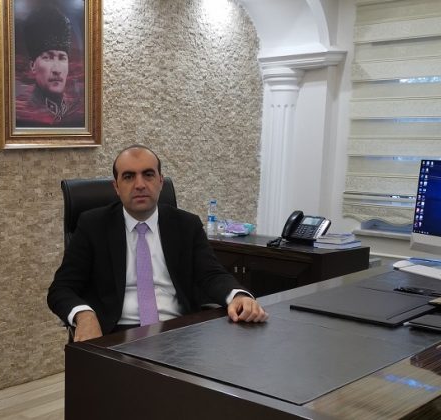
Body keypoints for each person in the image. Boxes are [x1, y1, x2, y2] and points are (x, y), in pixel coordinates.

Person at [48, 145, 268, 342]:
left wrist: (238, 296)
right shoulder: (93, 225)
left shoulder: (186, 224)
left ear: (160, 182)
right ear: (116, 187)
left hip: (178, 332)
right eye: (128, 177)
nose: (140, 184)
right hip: (115, 334)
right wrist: (84, 314)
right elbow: (61, 288)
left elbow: (211, 274)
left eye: (148, 174)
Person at [16, 5, 83, 127]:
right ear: (33, 66)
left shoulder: (76, 109)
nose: (57, 70)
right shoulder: (22, 111)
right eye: (48, 57)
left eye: (62, 58)